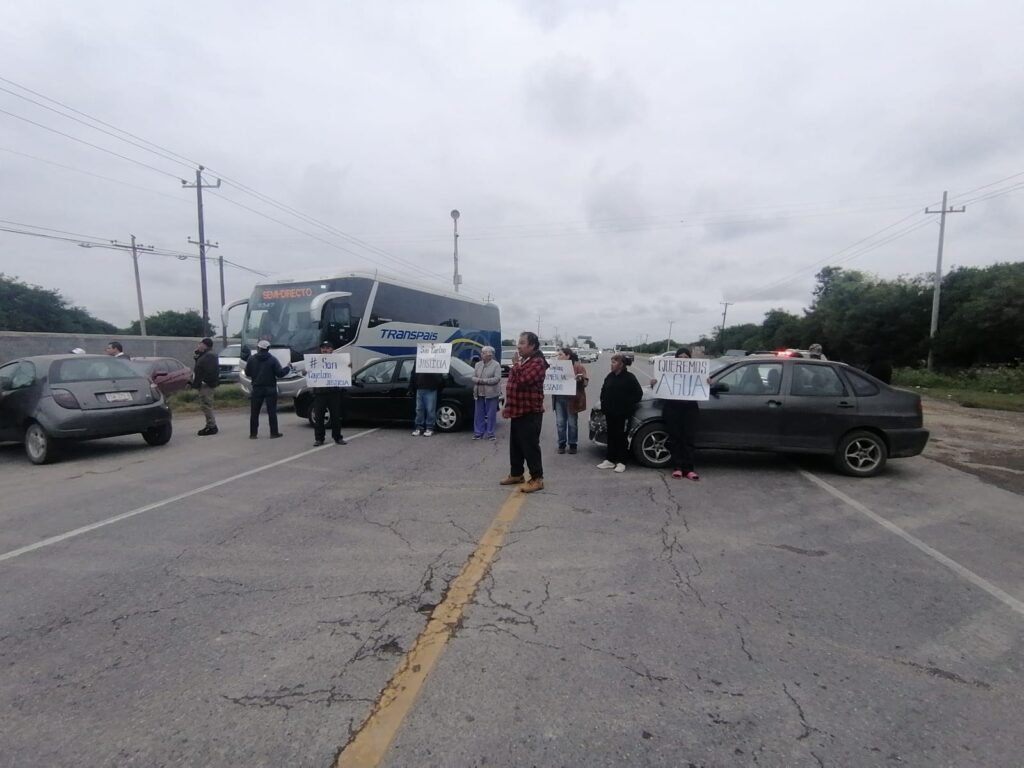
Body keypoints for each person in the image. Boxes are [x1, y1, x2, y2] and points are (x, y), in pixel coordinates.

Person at [500, 331, 548, 493]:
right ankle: (516, 474)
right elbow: (513, 381)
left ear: (532, 345)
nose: (518, 346)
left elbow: (523, 381)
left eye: (522, 343)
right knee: (516, 446)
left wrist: (516, 366)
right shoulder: (525, 361)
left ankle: (537, 479)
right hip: (518, 410)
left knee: (530, 446)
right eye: (518, 342)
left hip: (530, 411)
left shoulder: (538, 362)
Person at [654, 348, 700, 481]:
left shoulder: (695, 374)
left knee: (688, 439)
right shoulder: (669, 373)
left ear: (690, 359)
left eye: (686, 357)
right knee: (675, 439)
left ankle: (689, 469)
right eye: (680, 357)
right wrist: (654, 384)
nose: (683, 359)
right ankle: (678, 468)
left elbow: (701, 388)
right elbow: (661, 387)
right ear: (676, 359)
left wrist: (706, 382)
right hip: (672, 409)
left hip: (690, 409)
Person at [598, 352, 642, 473]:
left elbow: (638, 394)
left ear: (621, 364)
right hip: (610, 413)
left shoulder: (630, 377)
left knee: (622, 437)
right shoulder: (610, 376)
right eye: (611, 362)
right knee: (611, 436)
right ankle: (610, 460)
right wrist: (604, 404)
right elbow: (603, 390)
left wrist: (625, 404)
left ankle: (622, 462)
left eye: (614, 362)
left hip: (623, 414)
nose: (611, 365)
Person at [244, 339, 292, 439]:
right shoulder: (272, 359)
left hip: (257, 388)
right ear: (268, 349)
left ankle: (253, 434)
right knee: (272, 412)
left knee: (254, 412)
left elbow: (247, 373)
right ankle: (274, 433)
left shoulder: (251, 359)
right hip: (270, 388)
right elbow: (280, 374)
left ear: (258, 348)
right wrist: (288, 367)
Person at [551, 346, 588, 454]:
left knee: (572, 423)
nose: (559, 357)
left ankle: (573, 444)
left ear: (568, 356)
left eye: (561, 355)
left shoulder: (577, 366)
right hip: (559, 398)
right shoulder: (555, 366)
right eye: (558, 355)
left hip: (572, 399)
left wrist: (580, 379)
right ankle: (561, 444)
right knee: (560, 423)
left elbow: (585, 382)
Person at [311, 339, 347, 446]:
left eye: (327, 348)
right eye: (323, 348)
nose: (325, 350)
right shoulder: (314, 361)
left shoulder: (338, 361)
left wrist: (348, 366)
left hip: (333, 393)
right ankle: (319, 439)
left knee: (336, 416)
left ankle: (337, 437)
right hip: (320, 393)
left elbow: (345, 371)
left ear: (332, 349)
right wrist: (307, 371)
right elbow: (310, 373)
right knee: (319, 417)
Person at [471, 345, 502, 441]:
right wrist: (479, 380)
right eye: (482, 352)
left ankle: (490, 433)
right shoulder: (477, 364)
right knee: (478, 414)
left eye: (484, 353)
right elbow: (473, 377)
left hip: (491, 393)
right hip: (479, 392)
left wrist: (482, 381)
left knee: (491, 414)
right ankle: (478, 433)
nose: (482, 354)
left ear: (490, 355)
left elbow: (497, 379)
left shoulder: (496, 365)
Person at [408, 358, 445, 437]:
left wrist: (436, 384)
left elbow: (439, 376)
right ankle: (419, 427)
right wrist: (411, 387)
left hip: (431, 389)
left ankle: (430, 428)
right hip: (419, 388)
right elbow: (413, 374)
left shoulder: (435, 360)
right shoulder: (419, 359)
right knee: (419, 409)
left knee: (430, 409)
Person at [192, 337, 220, 436]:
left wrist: (205, 381)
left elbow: (211, 371)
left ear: (205, 345)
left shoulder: (210, 356)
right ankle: (210, 425)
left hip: (206, 385)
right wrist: (197, 356)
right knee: (205, 405)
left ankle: (211, 426)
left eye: (200, 344)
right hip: (203, 384)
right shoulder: (204, 355)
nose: (198, 346)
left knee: (206, 405)